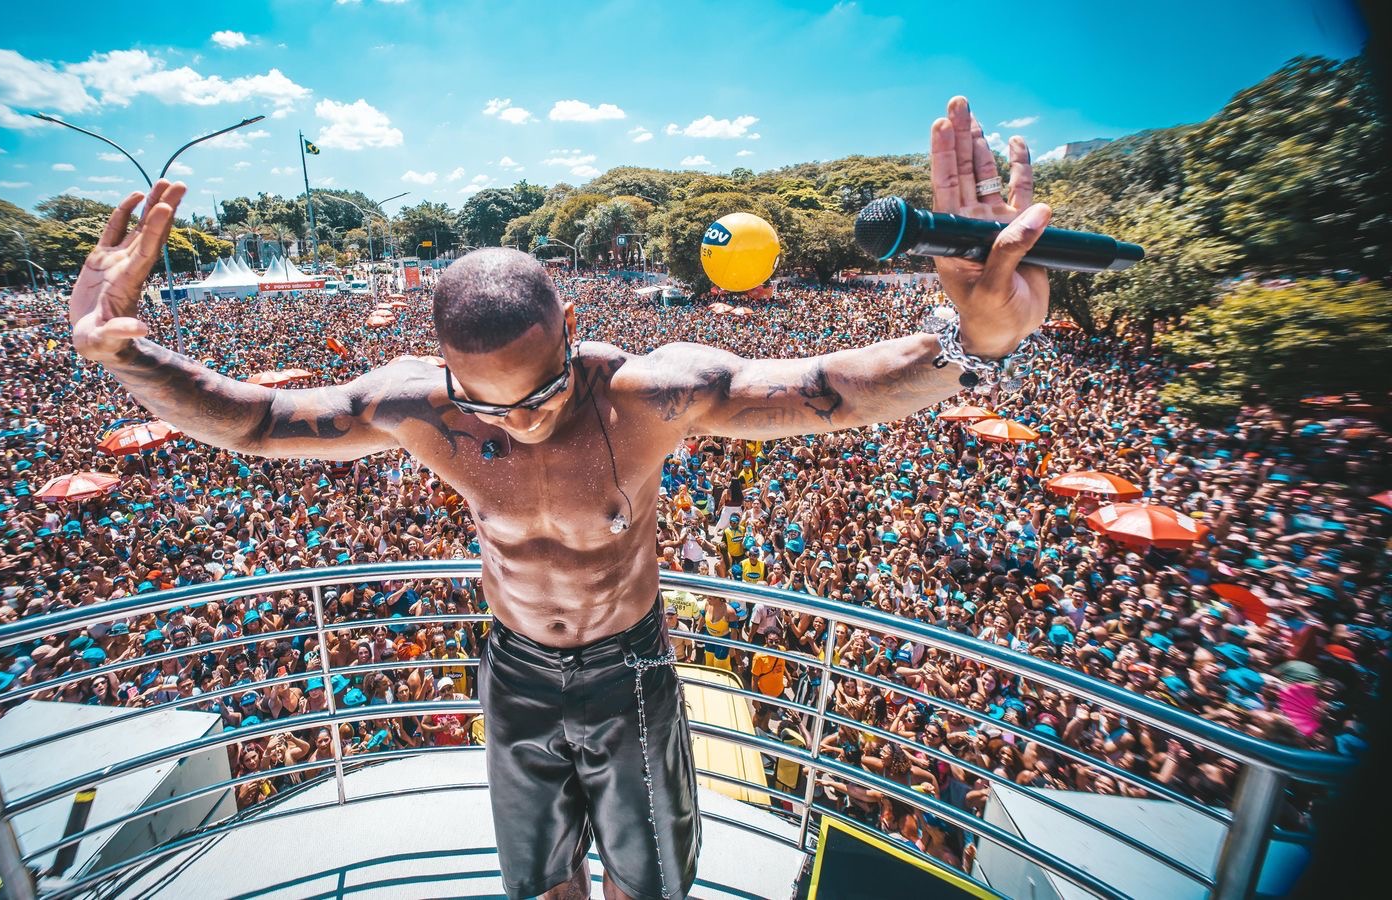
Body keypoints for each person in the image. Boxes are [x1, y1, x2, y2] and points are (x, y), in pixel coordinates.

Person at [66, 94, 1049, 900]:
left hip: (629, 670)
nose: (522, 421)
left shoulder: (646, 394)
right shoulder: (415, 404)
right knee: (540, 880)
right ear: (441, 366)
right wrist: (126, 354)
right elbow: (252, 421)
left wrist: (975, 338)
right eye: (483, 403)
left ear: (572, 328)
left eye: (541, 391)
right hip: (515, 670)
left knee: (648, 879)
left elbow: (832, 387)